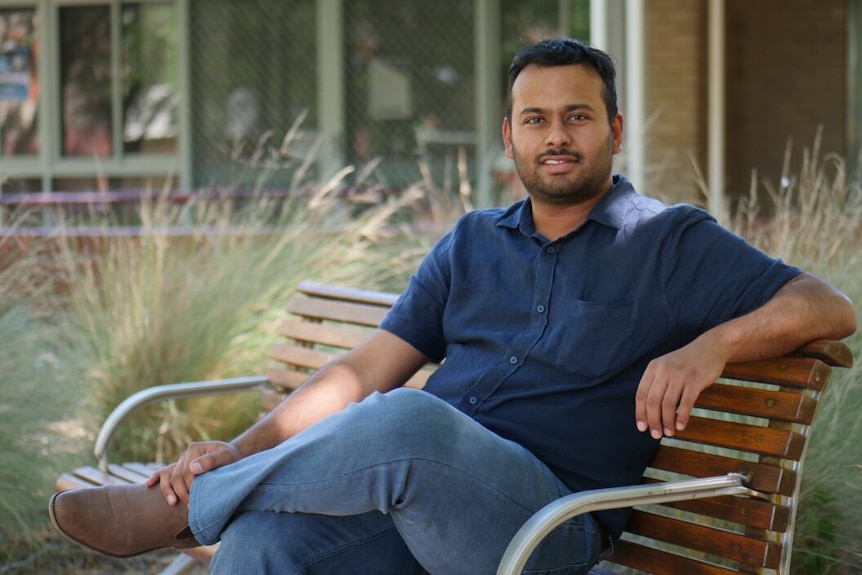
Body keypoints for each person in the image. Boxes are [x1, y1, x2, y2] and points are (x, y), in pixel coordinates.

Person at [49, 37, 856, 575]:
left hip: (546, 521)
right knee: (264, 542)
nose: (558, 136)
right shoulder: (471, 241)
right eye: (537, 119)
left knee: (408, 418)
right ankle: (221, 502)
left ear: (613, 129)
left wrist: (709, 346)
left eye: (578, 117)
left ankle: (189, 514)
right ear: (510, 136)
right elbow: (363, 368)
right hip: (417, 506)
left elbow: (827, 305)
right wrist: (239, 445)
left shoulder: (668, 241)